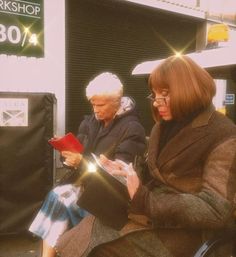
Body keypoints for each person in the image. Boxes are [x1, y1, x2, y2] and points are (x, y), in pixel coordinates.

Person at [56, 55, 236, 257]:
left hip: (191, 232)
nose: (157, 102)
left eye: (164, 94)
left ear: (188, 90)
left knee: (102, 249)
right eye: (154, 94)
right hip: (151, 214)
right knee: (88, 226)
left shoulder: (224, 135)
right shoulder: (162, 126)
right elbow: (153, 172)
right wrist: (124, 173)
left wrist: (146, 200)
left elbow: (214, 209)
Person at [28, 72, 146, 257]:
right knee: (57, 195)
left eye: (100, 105)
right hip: (85, 185)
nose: (95, 109)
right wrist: (67, 156)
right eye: (92, 104)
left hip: (109, 196)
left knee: (61, 199)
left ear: (117, 102)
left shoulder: (133, 129)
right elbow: (78, 154)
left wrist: (81, 162)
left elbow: (118, 178)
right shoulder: (90, 122)